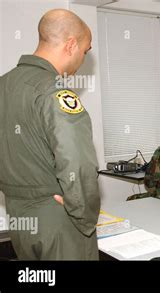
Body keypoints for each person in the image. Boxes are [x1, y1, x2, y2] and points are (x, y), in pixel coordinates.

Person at [0, 9, 99, 260]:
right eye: (85, 51)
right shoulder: (54, 92)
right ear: (71, 45)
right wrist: (84, 215)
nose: (83, 59)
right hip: (57, 220)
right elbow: (78, 162)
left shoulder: (4, 85)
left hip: (19, 219)